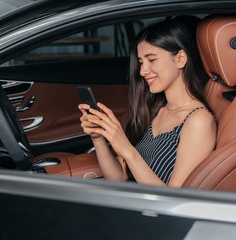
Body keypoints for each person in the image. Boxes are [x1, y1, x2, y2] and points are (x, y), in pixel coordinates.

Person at [78, 19, 216, 187]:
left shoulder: (198, 121)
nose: (142, 71)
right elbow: (119, 177)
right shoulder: (155, 108)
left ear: (180, 59)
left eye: (152, 59)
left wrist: (128, 150)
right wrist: (98, 138)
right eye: (141, 62)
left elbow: (174, 200)